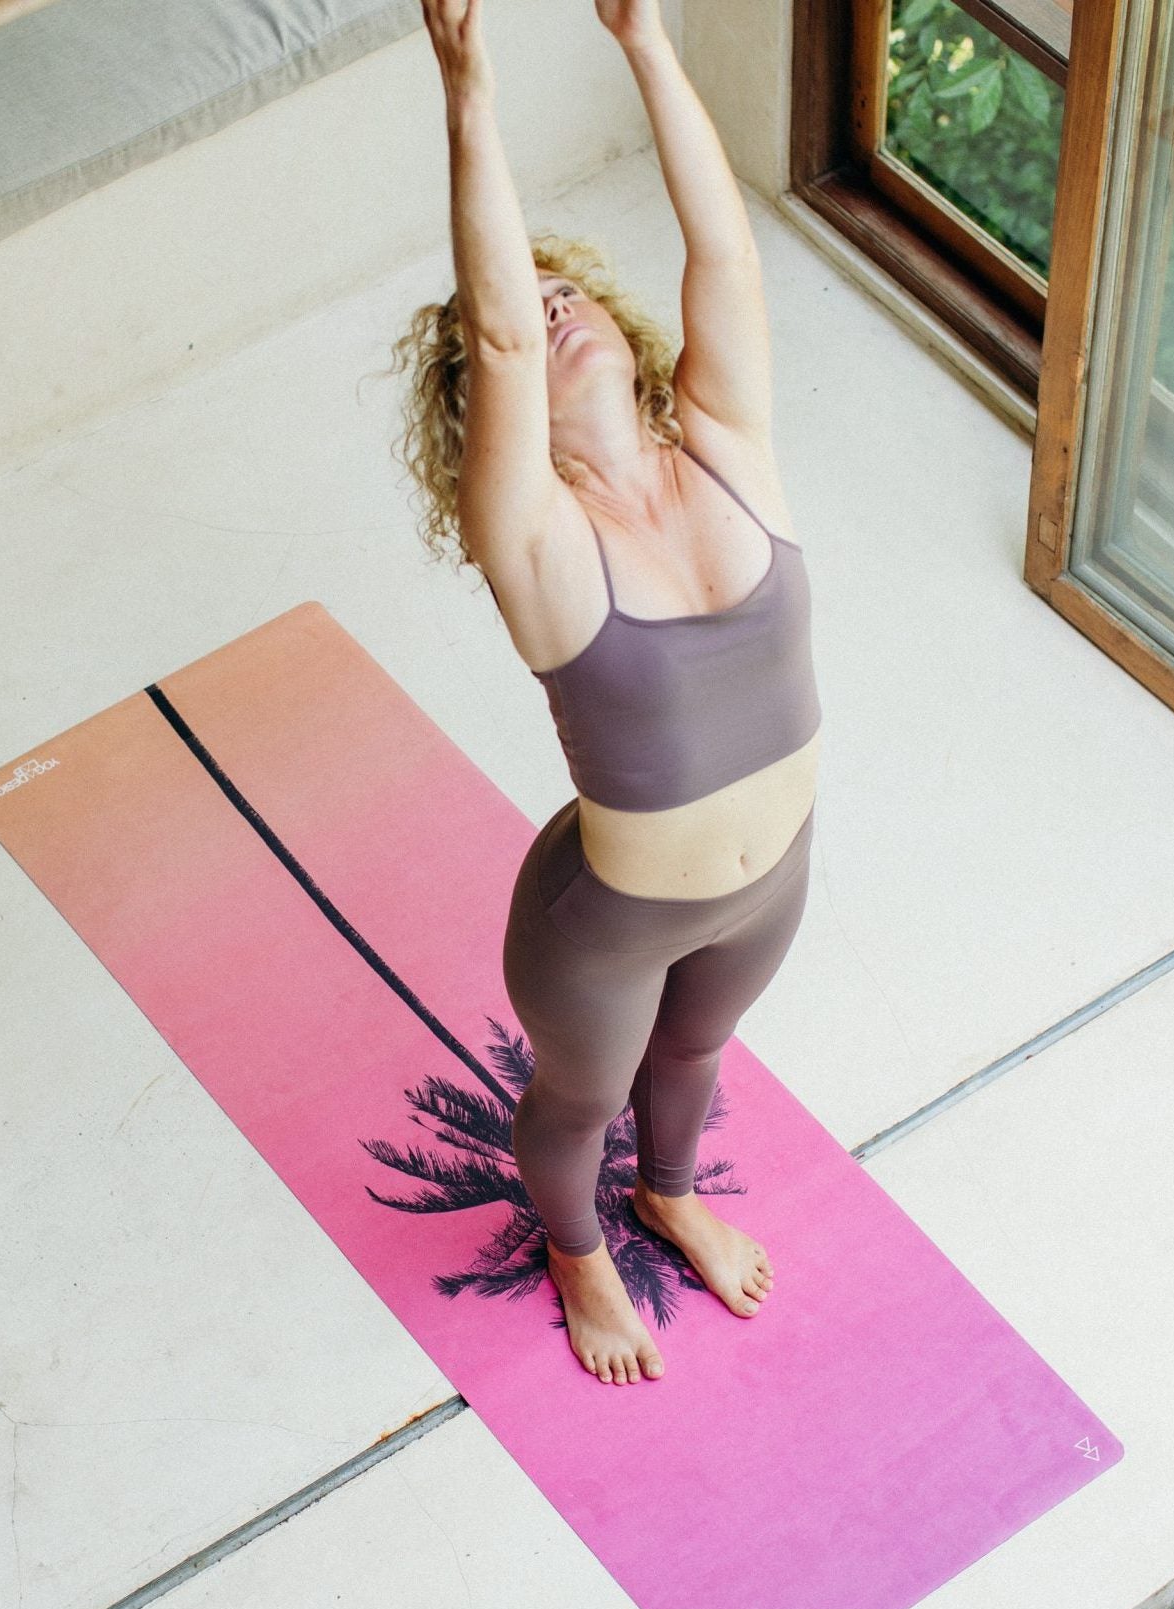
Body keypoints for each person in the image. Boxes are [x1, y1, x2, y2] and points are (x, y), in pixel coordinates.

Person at [405, 0, 823, 1385]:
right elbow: (507, 335)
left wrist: (647, 39)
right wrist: (469, 81)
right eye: (525, 311)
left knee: (697, 1055)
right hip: (607, 921)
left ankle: (673, 1192)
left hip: (776, 876)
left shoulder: (724, 440)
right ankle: (583, 1253)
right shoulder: (538, 543)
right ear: (489, 399)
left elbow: (723, 251)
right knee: (582, 1099)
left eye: (570, 285)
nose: (551, 308)